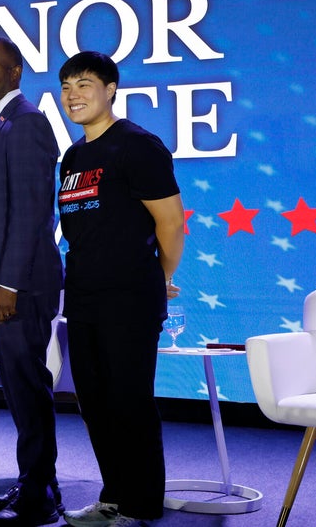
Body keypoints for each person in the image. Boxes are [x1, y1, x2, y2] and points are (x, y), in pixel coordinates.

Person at [56, 51, 184, 527]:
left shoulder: (138, 146)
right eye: (66, 87)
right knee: (94, 403)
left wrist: (160, 277)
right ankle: (114, 496)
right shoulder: (74, 156)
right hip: (83, 295)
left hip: (130, 297)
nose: (73, 95)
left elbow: (171, 223)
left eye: (84, 85)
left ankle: (141, 506)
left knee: (130, 402)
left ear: (110, 89)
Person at [0, 37, 65, 526]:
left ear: (16, 71)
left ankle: (39, 497)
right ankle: (35, 481)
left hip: (21, 286)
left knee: (27, 387)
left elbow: (31, 214)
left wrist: (7, 284)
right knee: (20, 388)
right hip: (4, 285)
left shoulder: (26, 122)